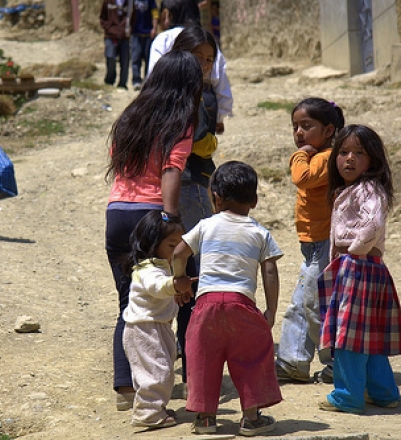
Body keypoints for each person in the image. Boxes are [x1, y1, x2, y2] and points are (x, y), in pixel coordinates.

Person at [104, 50, 203, 411]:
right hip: (151, 216)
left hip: (117, 213)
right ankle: (196, 381)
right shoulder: (180, 121)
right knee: (186, 292)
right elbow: (171, 170)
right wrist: (171, 220)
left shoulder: (131, 115)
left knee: (129, 301)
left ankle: (125, 386)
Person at [173, 161, 283, 437]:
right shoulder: (259, 232)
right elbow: (270, 270)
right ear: (255, 201)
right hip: (242, 305)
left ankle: (206, 419)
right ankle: (251, 418)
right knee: (252, 357)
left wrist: (180, 281)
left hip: (206, 305)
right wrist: (270, 309)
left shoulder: (205, 226)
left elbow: (178, 254)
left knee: (203, 359)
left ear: (216, 198)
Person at [317, 124, 401, 414]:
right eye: (343, 152)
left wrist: (353, 252)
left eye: (359, 153)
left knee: (347, 336)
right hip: (369, 268)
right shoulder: (357, 190)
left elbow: (372, 225)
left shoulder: (367, 189)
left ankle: (347, 396)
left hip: (358, 267)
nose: (349, 159)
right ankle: (383, 393)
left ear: (373, 161)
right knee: (370, 335)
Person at [275, 97, 345, 384]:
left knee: (314, 305)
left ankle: (336, 364)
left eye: (307, 126)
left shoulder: (326, 158)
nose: (299, 133)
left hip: (325, 244)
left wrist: (299, 154)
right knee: (302, 303)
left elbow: (301, 177)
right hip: (312, 244)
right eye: (295, 127)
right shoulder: (320, 155)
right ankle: (293, 361)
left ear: (328, 130)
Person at [169, 25, 218, 395]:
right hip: (190, 190)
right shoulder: (194, 97)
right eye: (198, 57)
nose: (203, 65)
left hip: (172, 189)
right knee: (194, 275)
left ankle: (183, 363)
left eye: (209, 60)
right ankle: (193, 370)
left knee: (176, 273)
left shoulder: (164, 95)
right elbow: (200, 137)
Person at [121, 210, 195, 429]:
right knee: (156, 371)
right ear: (152, 244)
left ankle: (156, 407)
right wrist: (174, 286)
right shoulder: (147, 269)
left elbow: (162, 290)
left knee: (161, 368)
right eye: (172, 246)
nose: (177, 251)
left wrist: (175, 291)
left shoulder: (162, 266)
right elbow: (157, 286)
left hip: (157, 326)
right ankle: (148, 414)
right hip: (144, 329)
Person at [148, 0, 232, 135]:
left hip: (170, 101)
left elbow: (153, 76)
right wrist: (219, 117)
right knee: (202, 151)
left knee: (174, 150)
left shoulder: (163, 39)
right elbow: (219, 80)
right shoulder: (207, 41)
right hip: (205, 102)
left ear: (171, 15)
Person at [100, 0, 132, 89]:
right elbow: (102, 17)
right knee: (110, 57)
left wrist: (129, 29)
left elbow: (133, 17)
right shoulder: (108, 1)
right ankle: (110, 80)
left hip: (124, 36)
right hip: (111, 36)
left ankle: (122, 83)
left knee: (125, 61)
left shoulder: (129, 3)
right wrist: (108, 27)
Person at [130, 0, 159, 91]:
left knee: (148, 58)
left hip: (148, 33)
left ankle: (147, 81)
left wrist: (154, 28)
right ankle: (136, 80)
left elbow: (155, 14)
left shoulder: (150, 1)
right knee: (135, 57)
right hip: (135, 33)